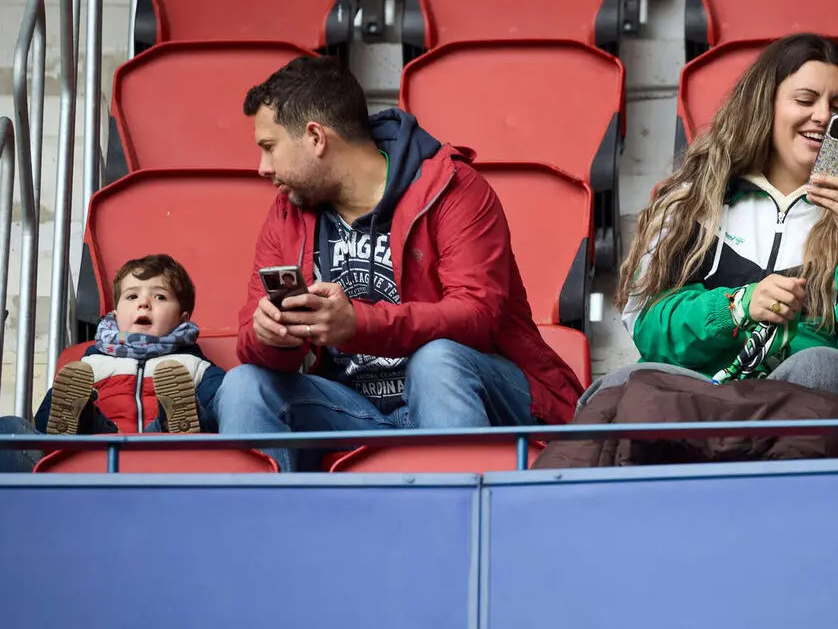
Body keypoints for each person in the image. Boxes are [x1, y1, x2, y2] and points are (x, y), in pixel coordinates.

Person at [214, 56, 582, 471]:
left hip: (475, 393)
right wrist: (272, 336)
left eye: (269, 147)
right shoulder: (288, 212)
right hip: (355, 410)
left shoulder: (452, 187)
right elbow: (251, 339)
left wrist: (359, 324)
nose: (263, 168)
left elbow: (478, 315)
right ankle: (263, 534)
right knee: (243, 385)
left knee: (437, 362)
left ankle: (458, 528)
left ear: (316, 137)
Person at [589, 33, 838, 417]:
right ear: (764, 105)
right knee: (619, 386)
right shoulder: (694, 202)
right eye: (805, 100)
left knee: (820, 366)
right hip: (703, 401)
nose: (823, 115)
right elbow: (649, 329)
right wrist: (737, 305)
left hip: (813, 409)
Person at [0, 254, 223, 472]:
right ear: (115, 316)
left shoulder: (196, 366)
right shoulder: (91, 364)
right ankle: (83, 419)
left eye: (159, 296)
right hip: (101, 449)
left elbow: (222, 423)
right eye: (132, 295)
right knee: (85, 415)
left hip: (165, 452)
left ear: (183, 319)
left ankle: (172, 422)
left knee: (192, 413)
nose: (144, 302)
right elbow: (44, 423)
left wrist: (201, 419)